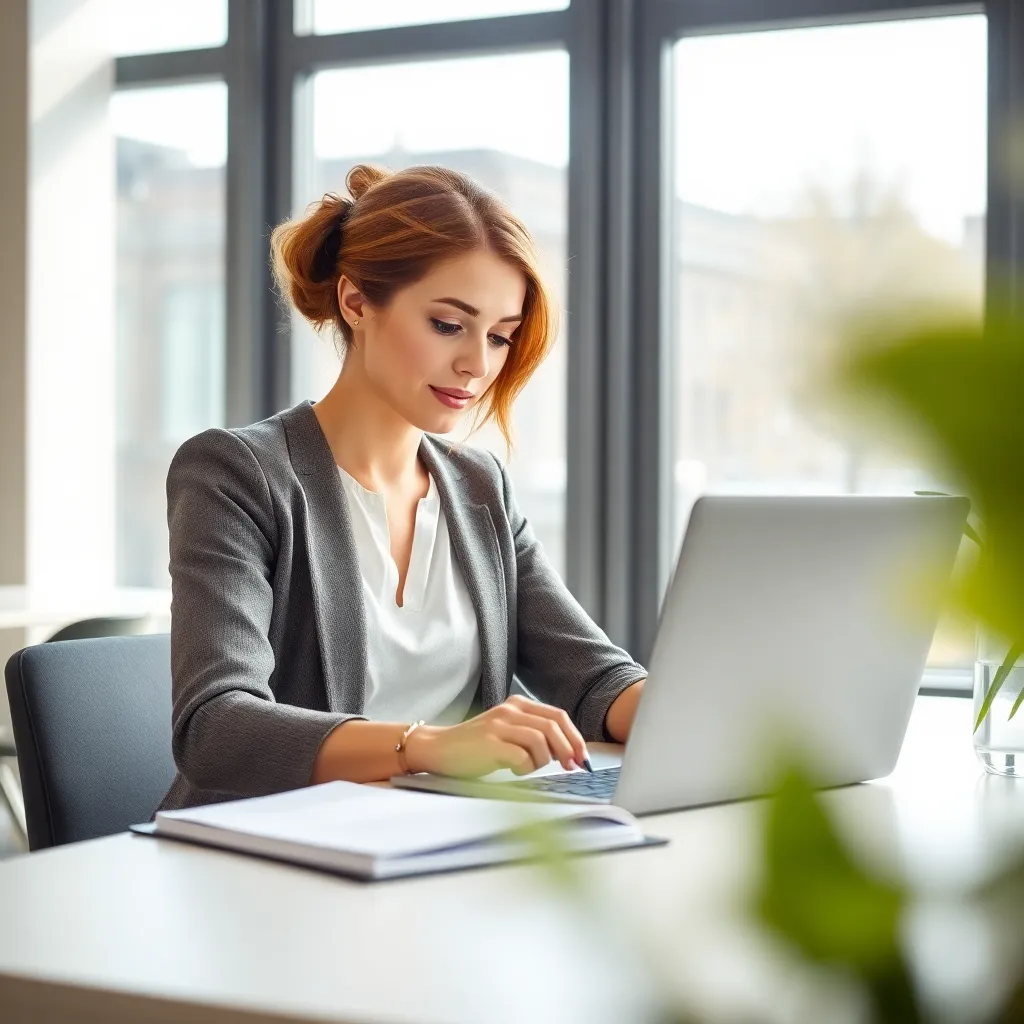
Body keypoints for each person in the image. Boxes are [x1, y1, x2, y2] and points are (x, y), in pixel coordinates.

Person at [157, 164, 646, 812]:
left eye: (500, 336)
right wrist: (429, 746)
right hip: (266, 854)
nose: (477, 363)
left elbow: (595, 679)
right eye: (449, 324)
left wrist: (712, 725)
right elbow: (216, 728)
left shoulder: (479, 488)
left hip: (433, 848)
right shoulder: (237, 474)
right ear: (356, 301)